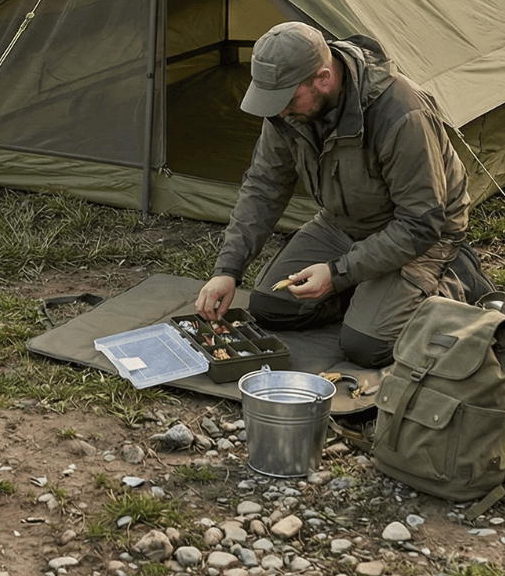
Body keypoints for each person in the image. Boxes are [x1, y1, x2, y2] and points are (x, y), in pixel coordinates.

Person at [195, 21, 483, 368]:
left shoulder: (401, 112)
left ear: (323, 78)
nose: (281, 111)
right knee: (271, 306)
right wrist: (227, 269)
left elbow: (421, 223)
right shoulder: (287, 111)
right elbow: (264, 187)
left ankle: (455, 281)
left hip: (419, 234)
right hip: (344, 223)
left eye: (287, 98)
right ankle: (370, 293)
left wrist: (337, 274)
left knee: (366, 346)